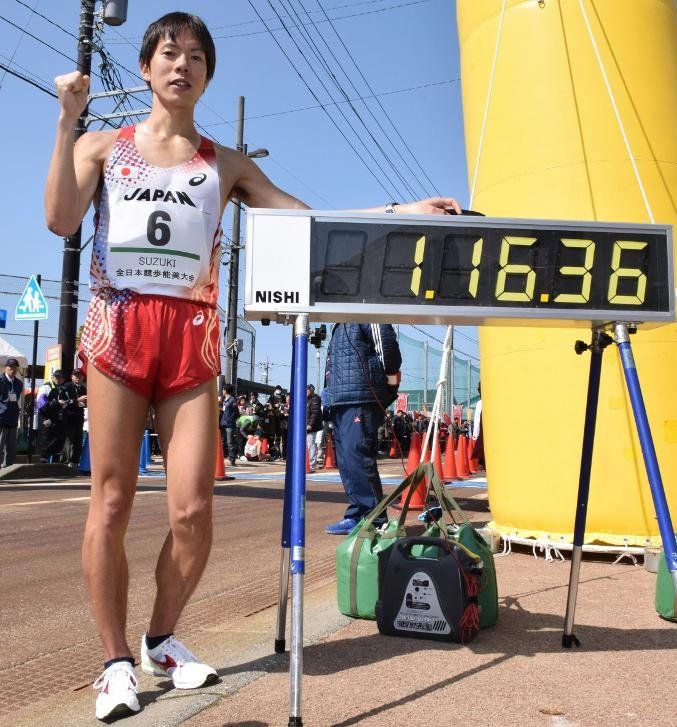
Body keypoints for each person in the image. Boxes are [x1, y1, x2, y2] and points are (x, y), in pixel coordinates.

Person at [45, 11, 460, 721]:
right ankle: (114, 661)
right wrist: (65, 121)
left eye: (197, 57)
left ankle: (160, 636)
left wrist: (402, 209)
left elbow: (306, 219)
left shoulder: (225, 163)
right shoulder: (101, 146)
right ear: (146, 68)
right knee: (110, 501)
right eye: (170, 54)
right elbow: (58, 219)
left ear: (207, 76)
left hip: (192, 335)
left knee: (193, 508)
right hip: (119, 323)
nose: (183, 65)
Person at [323, 323, 402, 535]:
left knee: (357, 456)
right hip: (341, 400)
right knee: (347, 461)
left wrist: (389, 384)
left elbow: (387, 346)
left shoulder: (364, 311)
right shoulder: (338, 325)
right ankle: (357, 513)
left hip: (361, 395)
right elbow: (331, 367)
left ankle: (374, 519)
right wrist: (328, 397)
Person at [58, 368, 88, 467]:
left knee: (78, 441)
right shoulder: (66, 386)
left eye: (80, 376)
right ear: (72, 377)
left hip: (79, 418)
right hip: (68, 418)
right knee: (68, 441)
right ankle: (65, 463)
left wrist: (85, 403)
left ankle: (74, 462)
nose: (78, 378)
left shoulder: (84, 389)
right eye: (76, 375)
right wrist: (76, 400)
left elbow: (86, 403)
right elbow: (62, 402)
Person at [37, 370, 67, 462]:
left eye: (60, 377)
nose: (58, 379)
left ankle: (55, 465)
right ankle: (43, 465)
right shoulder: (46, 387)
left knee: (57, 443)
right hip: (46, 420)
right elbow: (41, 405)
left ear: (63, 379)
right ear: (52, 377)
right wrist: (57, 403)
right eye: (56, 377)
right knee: (46, 442)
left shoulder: (63, 389)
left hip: (58, 421)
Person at [0, 357, 24, 468]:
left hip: (13, 418)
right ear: (6, 368)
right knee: (0, 444)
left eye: (15, 367)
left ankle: (8, 469)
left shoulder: (19, 383)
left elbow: (15, 399)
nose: (13, 370)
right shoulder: (1, 380)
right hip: (1, 418)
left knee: (11, 447)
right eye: (10, 367)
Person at [306, 383, 322, 470]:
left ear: (311, 390)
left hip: (312, 426)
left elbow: (315, 413)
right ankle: (308, 463)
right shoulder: (306, 399)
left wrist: (310, 425)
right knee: (307, 445)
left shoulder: (315, 399)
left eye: (308, 389)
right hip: (306, 425)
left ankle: (311, 464)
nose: (306, 391)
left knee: (310, 444)